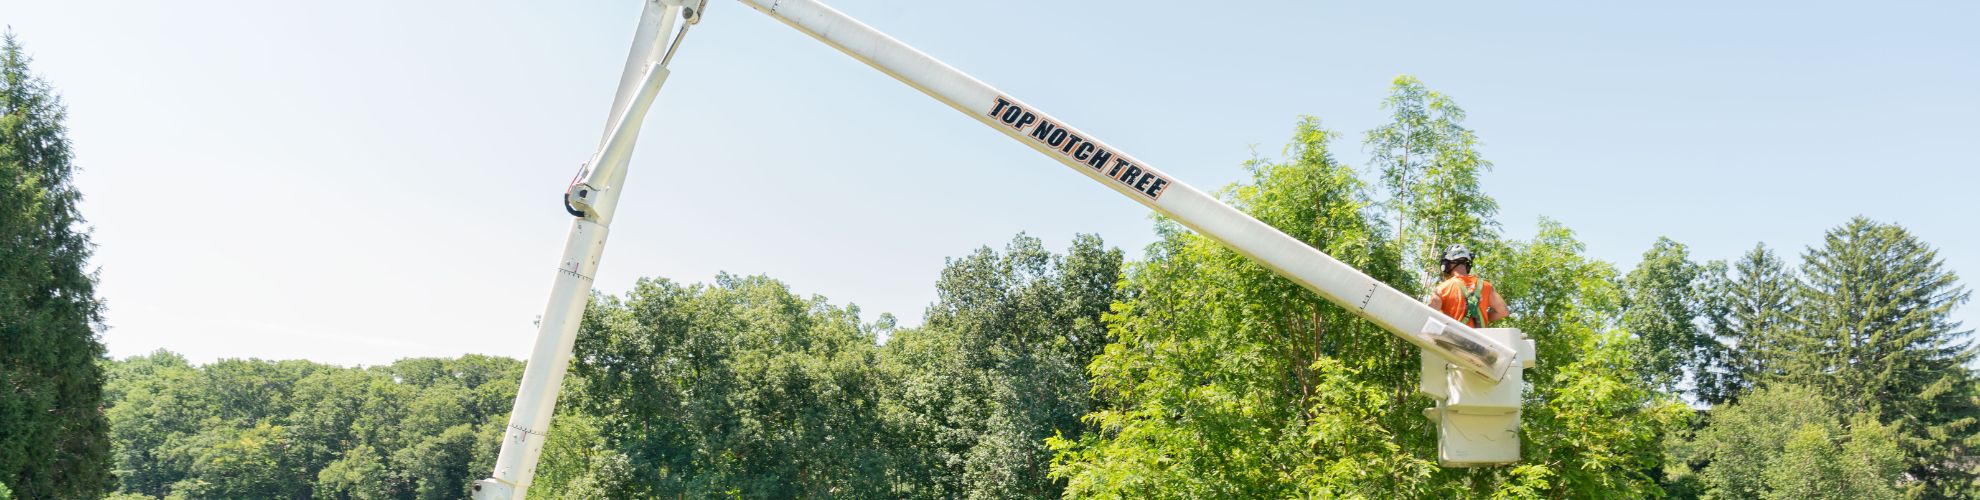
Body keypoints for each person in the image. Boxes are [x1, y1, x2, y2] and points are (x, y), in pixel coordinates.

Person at [1426, 244, 1508, 328]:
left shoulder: (1442, 289)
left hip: (1452, 338)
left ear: (1446, 263)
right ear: (1467, 264)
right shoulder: (1486, 286)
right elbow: (1503, 312)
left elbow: (1429, 315)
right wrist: (1482, 316)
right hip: (1478, 339)